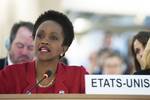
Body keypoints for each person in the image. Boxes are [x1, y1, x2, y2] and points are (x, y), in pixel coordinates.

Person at [0, 10, 88, 94]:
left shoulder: (78, 77)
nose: (44, 41)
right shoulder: (10, 75)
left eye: (53, 37)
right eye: (40, 36)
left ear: (64, 48)